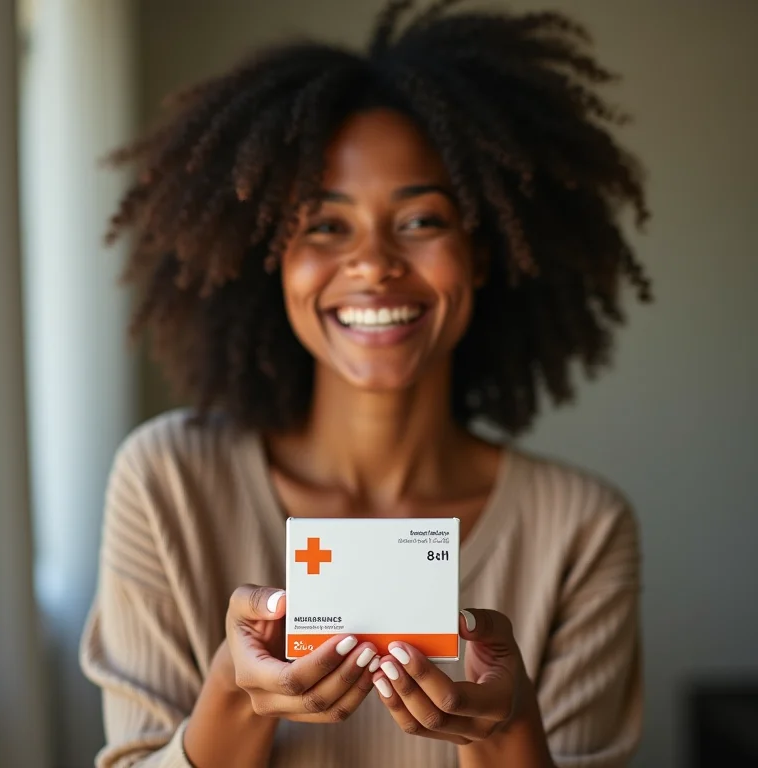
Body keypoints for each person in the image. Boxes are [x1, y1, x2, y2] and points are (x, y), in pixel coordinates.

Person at [80, 1, 650, 766]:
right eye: (324, 224)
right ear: (274, 259)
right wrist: (232, 694)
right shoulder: (168, 484)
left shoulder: (580, 530)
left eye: (420, 221)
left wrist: (509, 730)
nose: (374, 263)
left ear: (479, 255)